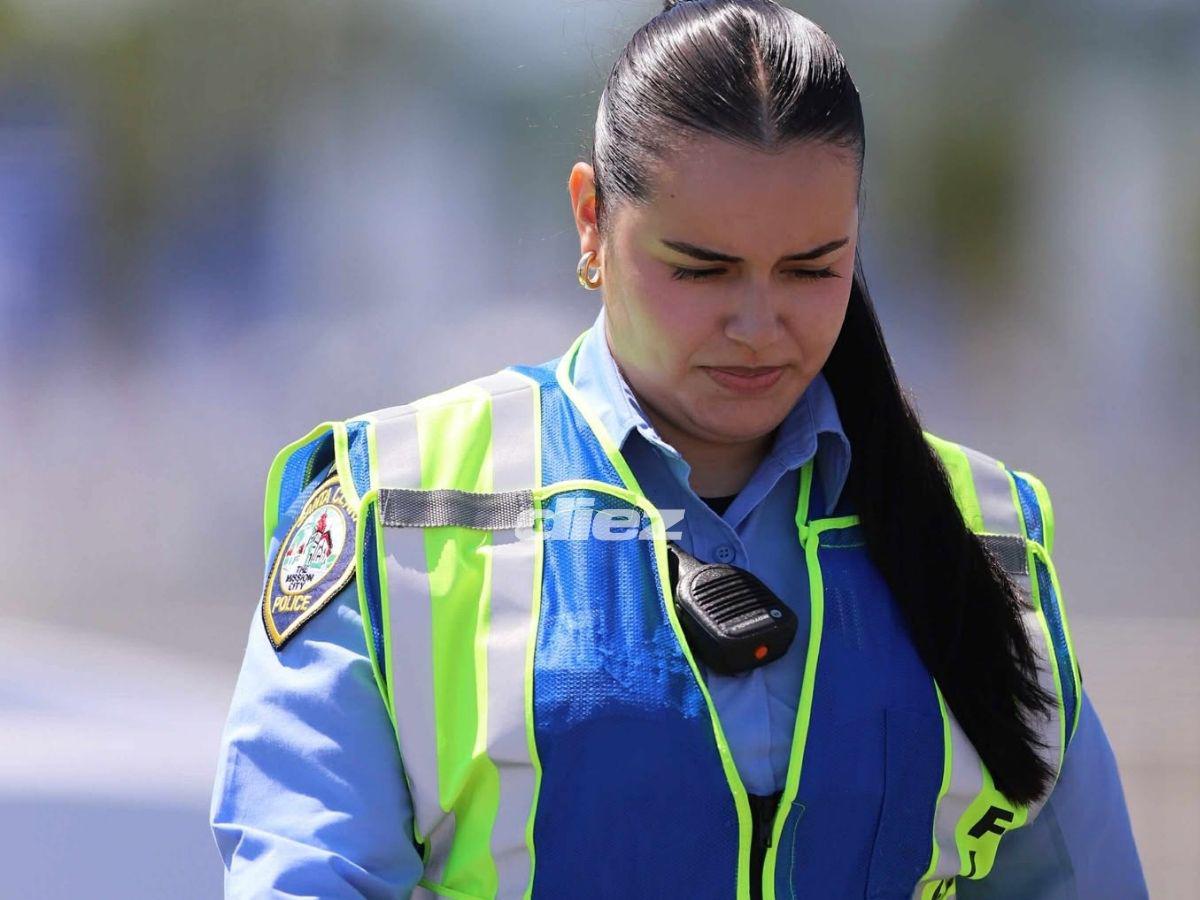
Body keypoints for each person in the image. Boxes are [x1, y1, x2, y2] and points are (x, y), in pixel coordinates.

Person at [210, 1, 1147, 897]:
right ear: (591, 220)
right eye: (701, 270)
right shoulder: (392, 506)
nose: (756, 324)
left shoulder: (989, 534)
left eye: (812, 269)